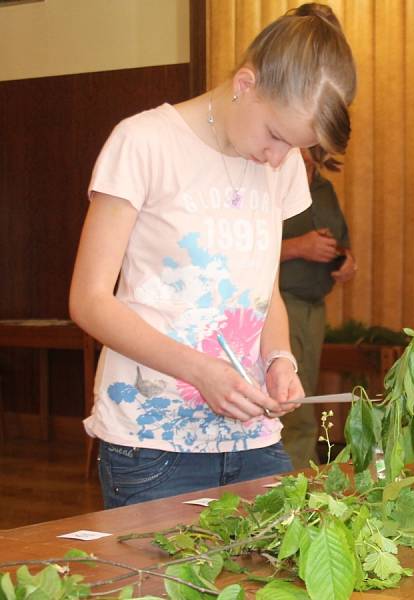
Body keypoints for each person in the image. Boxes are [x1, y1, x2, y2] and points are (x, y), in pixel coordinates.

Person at [68, 3, 357, 508]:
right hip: (152, 444)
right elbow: (90, 300)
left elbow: (261, 285)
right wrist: (200, 371)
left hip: (254, 439)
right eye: (274, 136)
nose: (277, 159)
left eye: (294, 148)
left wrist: (280, 358)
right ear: (245, 83)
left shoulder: (280, 165)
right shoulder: (144, 142)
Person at [279, 148, 356, 469]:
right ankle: (293, 478)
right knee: (292, 402)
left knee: (304, 395)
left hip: (314, 305)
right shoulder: (271, 179)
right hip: (281, 302)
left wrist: (347, 261)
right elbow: (244, 247)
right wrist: (298, 247)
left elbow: (341, 241)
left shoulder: (324, 189)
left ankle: (302, 473)